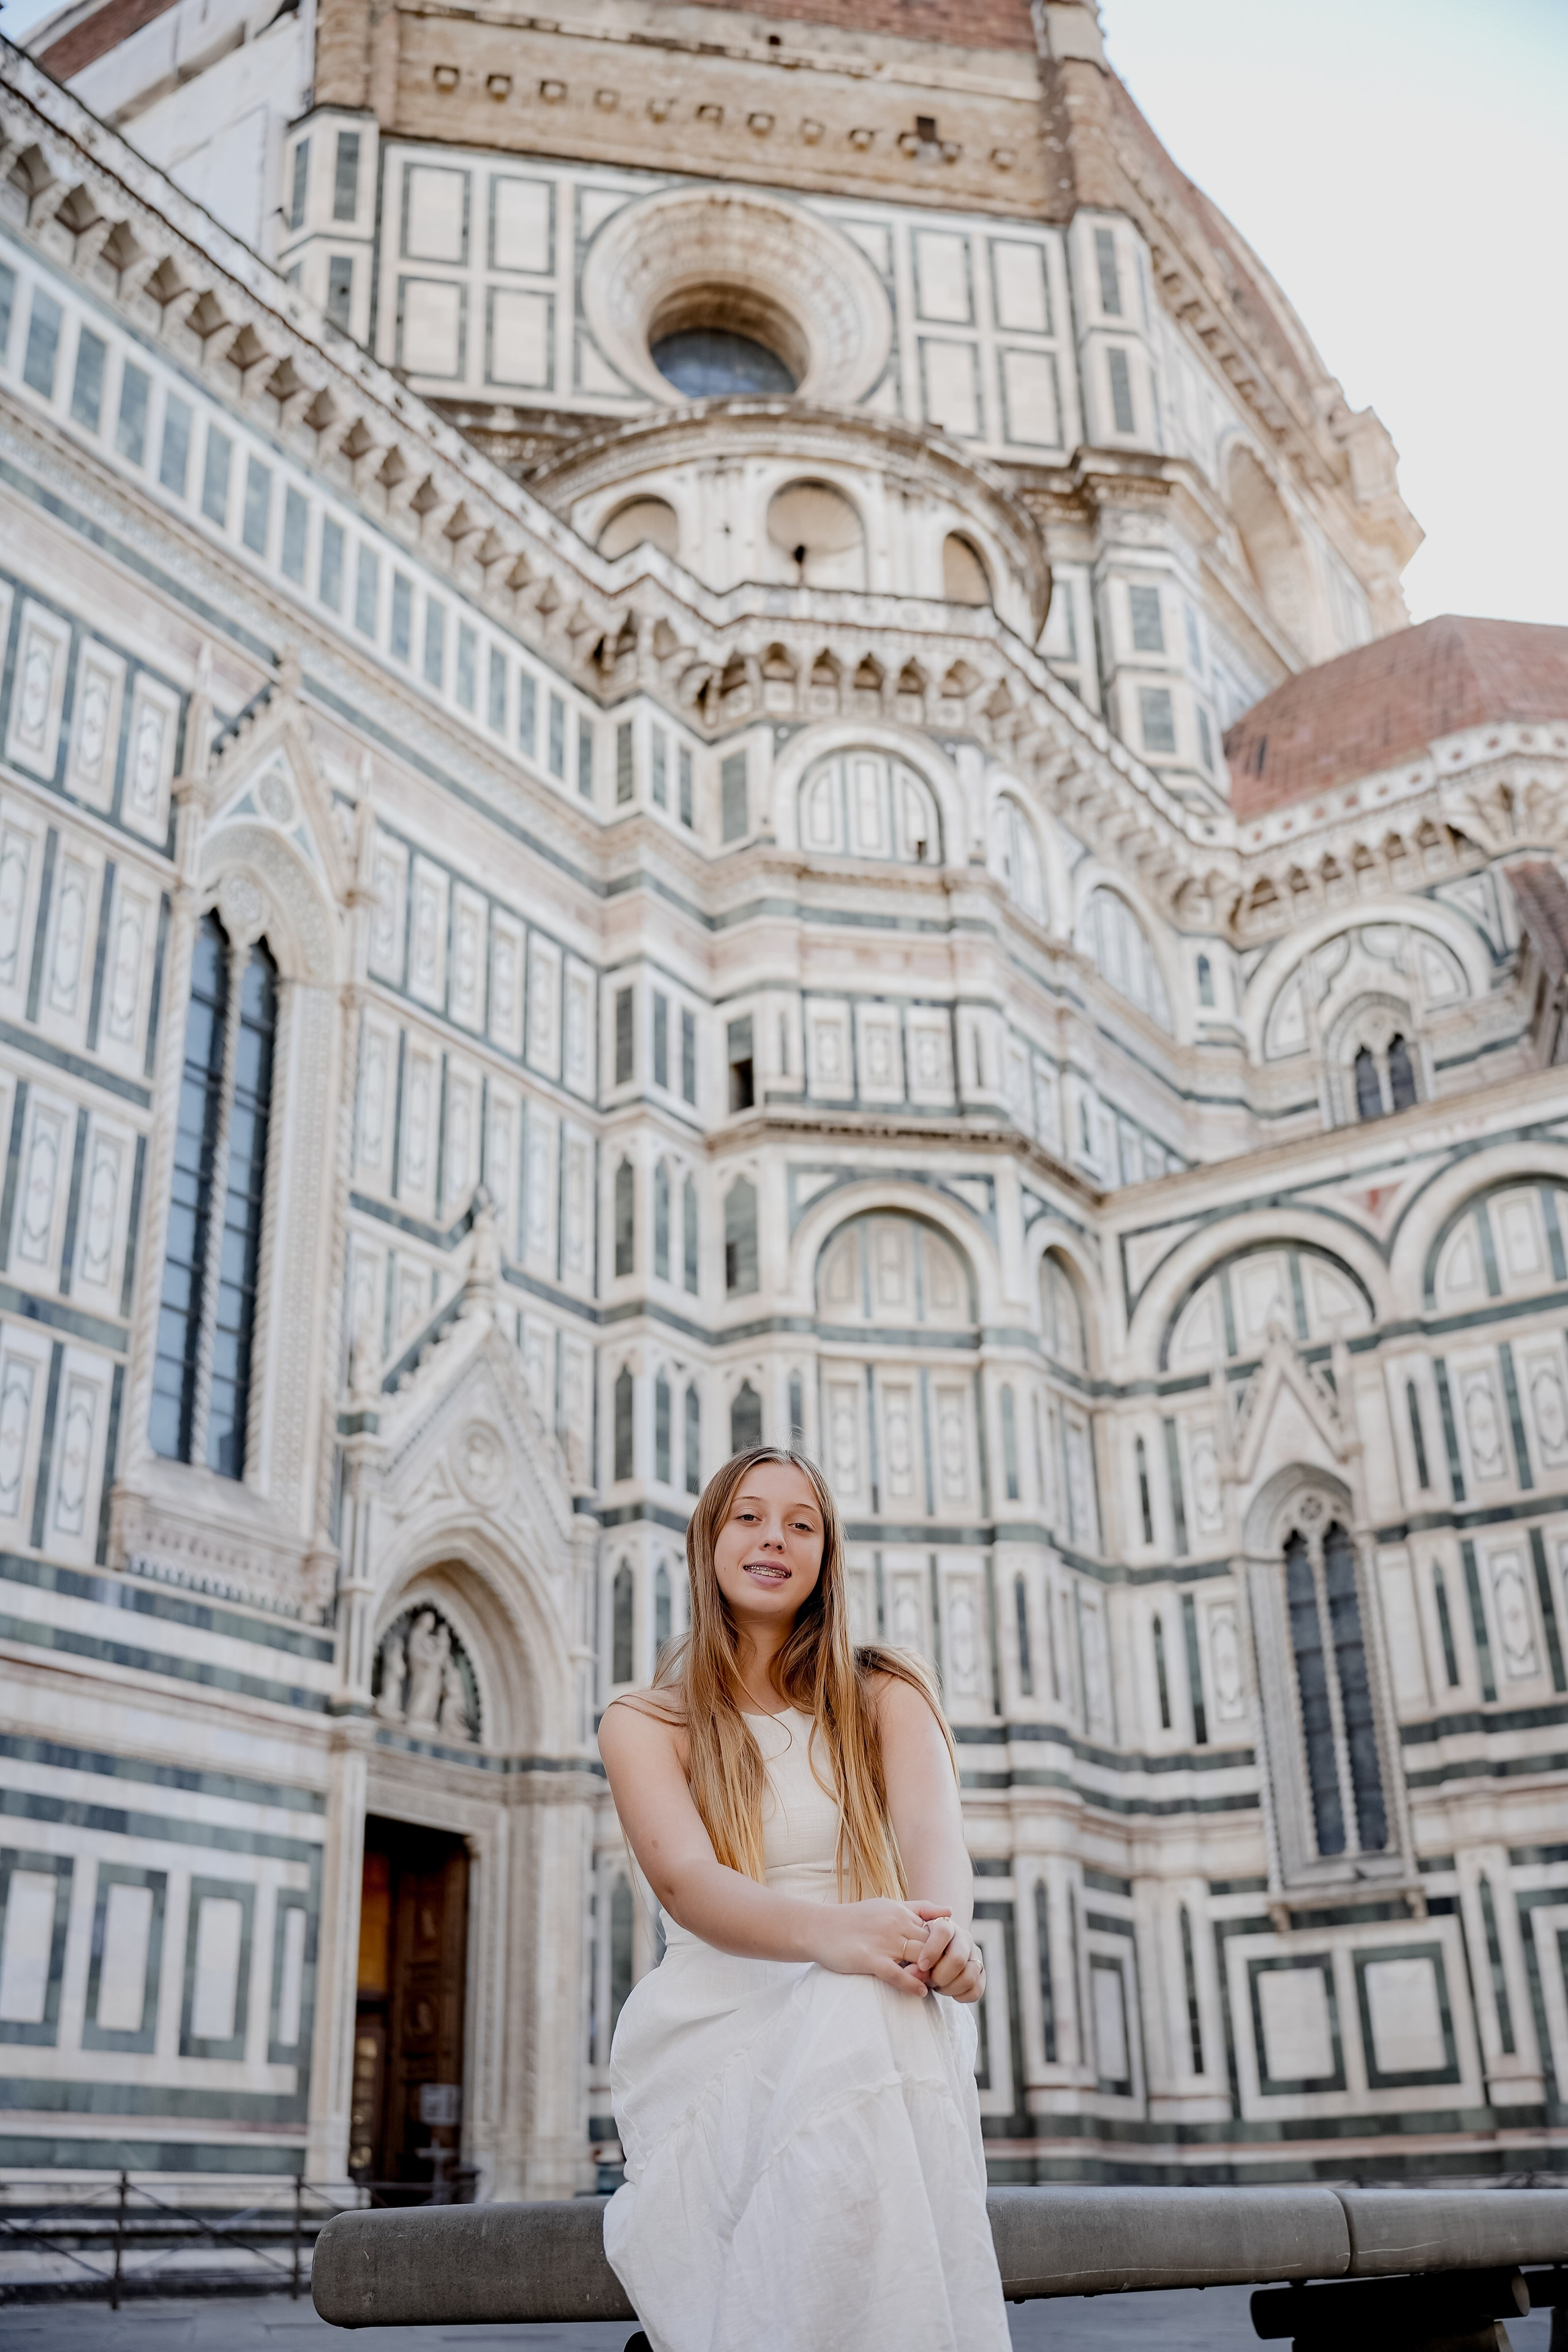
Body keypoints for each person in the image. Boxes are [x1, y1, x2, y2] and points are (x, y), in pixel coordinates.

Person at [598, 1445, 1011, 2352]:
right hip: (716, 2017)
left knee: (872, 1998)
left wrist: (946, 1944)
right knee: (863, 1989)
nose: (773, 1538)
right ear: (710, 1541)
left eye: (801, 1523)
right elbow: (689, 1885)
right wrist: (840, 1936)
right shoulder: (644, 1724)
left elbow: (936, 1847)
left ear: (827, 1556)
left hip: (887, 1994)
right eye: (748, 1516)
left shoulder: (885, 1694)